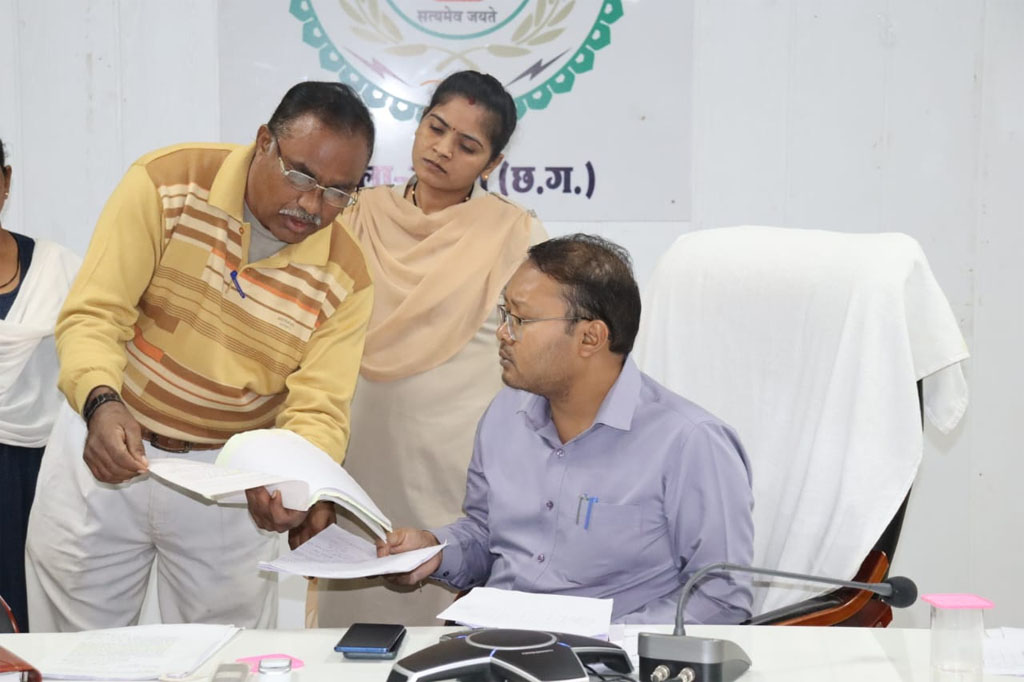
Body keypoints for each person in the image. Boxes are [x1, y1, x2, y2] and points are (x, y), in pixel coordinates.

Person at [24, 82, 375, 631]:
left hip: (229, 480)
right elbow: (95, 314)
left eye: (338, 192)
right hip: (108, 441)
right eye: (301, 177)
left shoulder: (347, 275)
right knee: (76, 650)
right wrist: (99, 402)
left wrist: (293, 479)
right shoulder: (167, 183)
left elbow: (320, 406)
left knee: (220, 655)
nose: (312, 205)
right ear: (264, 142)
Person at [378, 234, 755, 624]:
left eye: (521, 320)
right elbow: (486, 535)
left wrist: (607, 641)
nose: (503, 333)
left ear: (590, 337)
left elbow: (722, 598)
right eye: (505, 314)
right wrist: (436, 550)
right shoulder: (506, 414)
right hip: (492, 644)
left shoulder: (692, 443)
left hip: (609, 654)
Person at [318, 71, 546, 626]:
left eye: (467, 145)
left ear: (491, 163)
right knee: (347, 629)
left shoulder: (515, 235)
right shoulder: (355, 214)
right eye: (436, 128)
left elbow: (536, 356)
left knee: (446, 628)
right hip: (358, 455)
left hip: (453, 468)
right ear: (418, 126)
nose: (443, 149)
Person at [0, 138, 81, 631]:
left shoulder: (58, 269)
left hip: (43, 474)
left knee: (39, 618)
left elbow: (96, 359)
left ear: (5, 181)